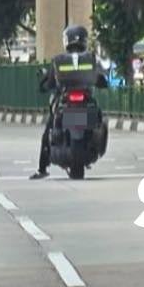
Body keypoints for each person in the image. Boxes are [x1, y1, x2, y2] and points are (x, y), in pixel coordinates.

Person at [32, 25, 108, 179]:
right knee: (99, 117)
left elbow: (49, 83)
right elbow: (101, 80)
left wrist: (45, 85)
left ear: (66, 40)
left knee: (48, 131)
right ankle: (94, 141)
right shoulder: (91, 58)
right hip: (86, 100)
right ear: (85, 40)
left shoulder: (59, 60)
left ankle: (42, 169)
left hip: (65, 99)